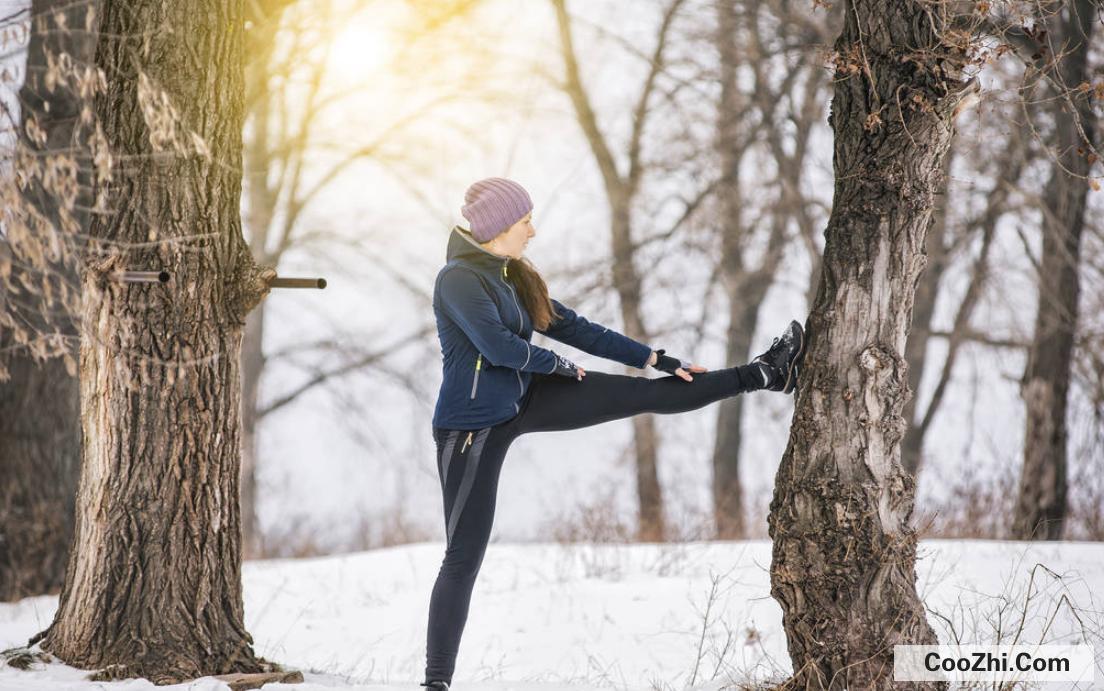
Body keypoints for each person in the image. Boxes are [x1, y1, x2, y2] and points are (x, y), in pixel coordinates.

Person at [422, 177, 805, 690]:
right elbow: (499, 350)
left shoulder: (511, 274)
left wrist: (653, 358)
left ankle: (763, 374)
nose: (532, 230)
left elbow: (576, 328)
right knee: (464, 555)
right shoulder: (459, 279)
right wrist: (558, 366)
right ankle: (436, 682)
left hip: (525, 395)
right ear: (496, 228)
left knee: (644, 392)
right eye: (523, 222)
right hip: (471, 426)